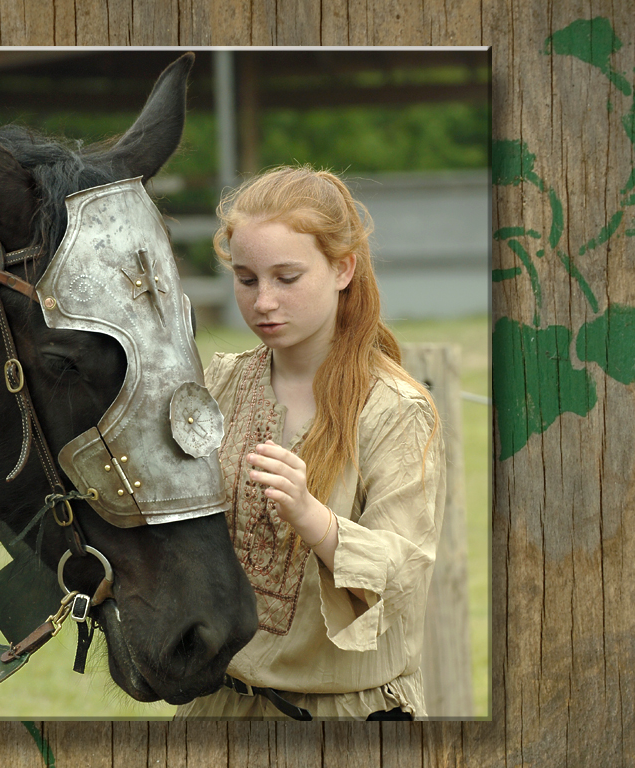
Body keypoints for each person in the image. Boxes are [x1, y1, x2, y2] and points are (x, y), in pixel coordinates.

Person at [173, 166, 446, 721]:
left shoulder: (393, 408)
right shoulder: (223, 382)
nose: (263, 301)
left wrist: (311, 516)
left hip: (342, 712)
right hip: (217, 707)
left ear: (343, 269)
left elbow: (402, 571)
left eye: (287, 278)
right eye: (247, 279)